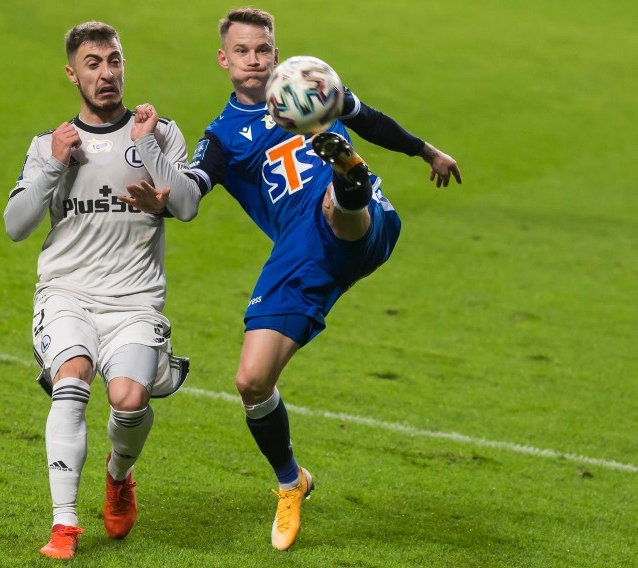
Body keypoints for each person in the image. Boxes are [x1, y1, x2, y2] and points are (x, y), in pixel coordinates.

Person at [123, 7, 462, 552]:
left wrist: (427, 151)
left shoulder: (311, 83)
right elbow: (189, 200)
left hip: (358, 223)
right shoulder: (223, 136)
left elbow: (371, 117)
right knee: (250, 382)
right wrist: (157, 196)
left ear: (275, 53)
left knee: (337, 205)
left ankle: (349, 176)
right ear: (224, 60)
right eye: (242, 52)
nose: (254, 60)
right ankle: (291, 481)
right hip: (298, 255)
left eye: (262, 50)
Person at [3, 21, 199, 560]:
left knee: (129, 400)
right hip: (67, 294)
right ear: (73, 74)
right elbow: (16, 225)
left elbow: (186, 206)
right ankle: (63, 527)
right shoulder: (51, 144)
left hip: (135, 300)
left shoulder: (159, 132)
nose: (106, 73)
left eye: (113, 61)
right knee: (73, 379)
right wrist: (50, 167)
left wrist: (150, 151)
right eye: (93, 64)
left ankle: (119, 476)